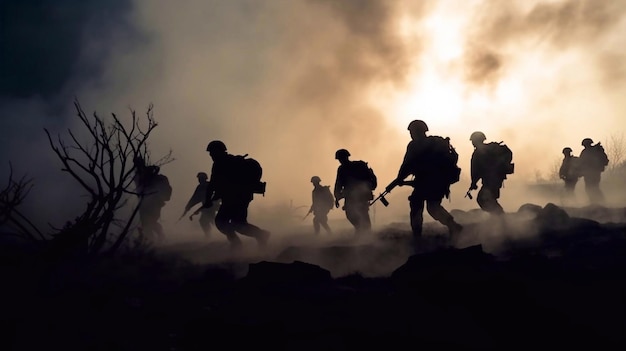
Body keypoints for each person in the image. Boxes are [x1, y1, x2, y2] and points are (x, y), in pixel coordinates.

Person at [385, 120, 463, 243]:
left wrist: (399, 179)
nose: (411, 134)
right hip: (438, 182)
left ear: (416, 132)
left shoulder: (415, 145)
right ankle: (454, 226)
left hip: (428, 181)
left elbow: (407, 164)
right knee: (432, 207)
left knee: (418, 206)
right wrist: (399, 179)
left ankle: (418, 237)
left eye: (412, 132)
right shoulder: (434, 143)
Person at [204, 140, 270, 250]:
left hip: (235, 198)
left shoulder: (221, 164)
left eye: (212, 152)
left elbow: (213, 184)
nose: (210, 155)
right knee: (237, 223)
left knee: (225, 222)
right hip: (240, 197)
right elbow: (220, 184)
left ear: (218, 151)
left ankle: (241, 242)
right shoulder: (229, 162)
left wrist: (208, 199)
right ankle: (259, 236)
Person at [468, 131, 513, 215]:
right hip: (495, 179)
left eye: (473, 141)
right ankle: (498, 218)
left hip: (491, 180)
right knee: (488, 199)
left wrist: (473, 183)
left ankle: (500, 216)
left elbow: (475, 170)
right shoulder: (489, 149)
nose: (472, 143)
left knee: (483, 199)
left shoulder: (478, 153)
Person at [333, 149, 376, 235]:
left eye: (341, 158)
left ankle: (365, 234)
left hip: (359, 196)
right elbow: (338, 183)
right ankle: (362, 232)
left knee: (361, 215)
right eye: (340, 159)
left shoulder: (355, 167)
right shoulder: (345, 168)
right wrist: (337, 197)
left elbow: (339, 184)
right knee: (352, 215)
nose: (341, 161)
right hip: (352, 196)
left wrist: (337, 196)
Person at [133, 156, 171, 241]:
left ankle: (159, 236)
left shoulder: (148, 173)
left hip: (154, 201)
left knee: (151, 221)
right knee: (145, 222)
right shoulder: (138, 175)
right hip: (144, 202)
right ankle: (151, 240)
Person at [180, 172, 219, 237]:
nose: (199, 180)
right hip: (206, 207)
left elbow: (218, 194)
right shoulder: (201, 187)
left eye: (201, 178)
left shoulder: (208, 185)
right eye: (199, 178)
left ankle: (210, 235)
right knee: (206, 221)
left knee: (206, 221)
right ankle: (210, 235)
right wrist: (188, 207)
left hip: (211, 206)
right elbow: (194, 198)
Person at [578, 138, 608, 205]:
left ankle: (599, 202)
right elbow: (581, 162)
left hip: (593, 172)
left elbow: (581, 162)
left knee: (593, 187)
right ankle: (594, 202)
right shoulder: (590, 151)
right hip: (589, 172)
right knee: (591, 187)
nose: (585, 146)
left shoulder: (593, 151)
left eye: (585, 145)